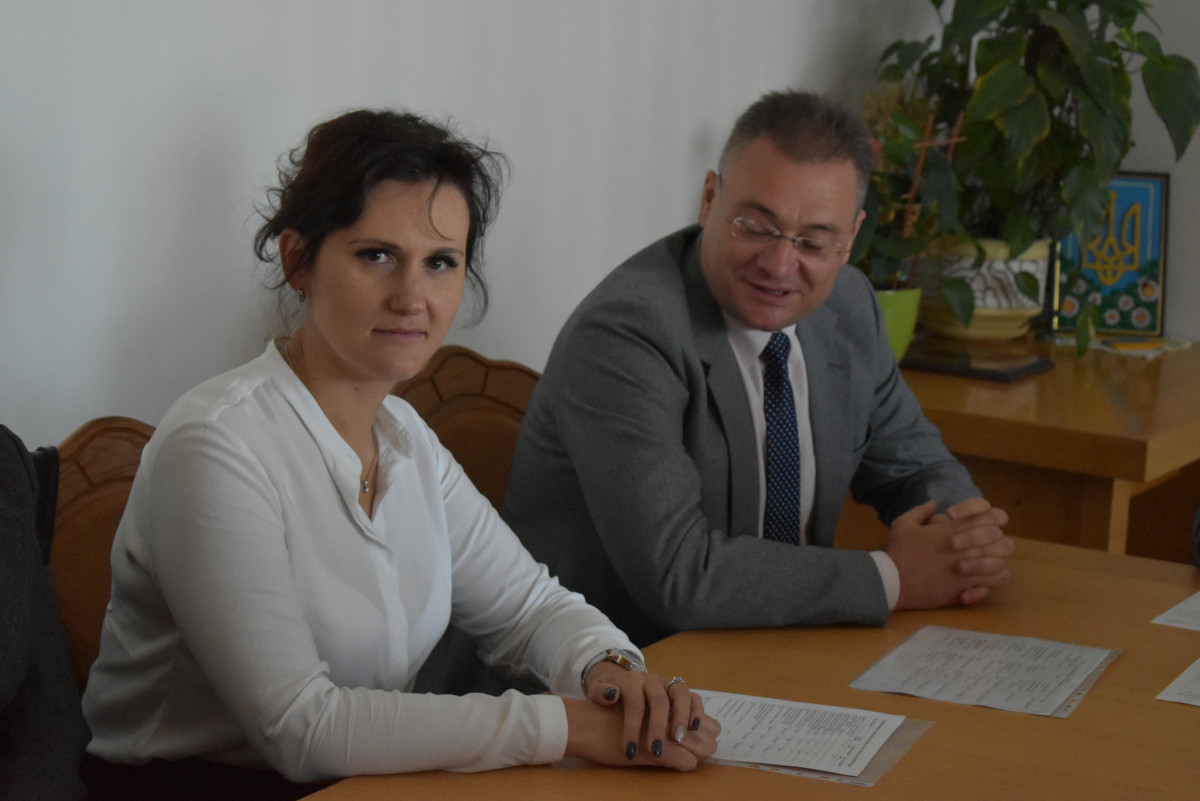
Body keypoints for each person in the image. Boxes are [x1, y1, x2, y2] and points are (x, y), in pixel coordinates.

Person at [79, 108, 718, 801]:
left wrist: (610, 670)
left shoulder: (407, 438)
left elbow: (529, 607)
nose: (413, 297)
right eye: (376, 255)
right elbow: (300, 726)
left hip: (366, 781)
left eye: (440, 262)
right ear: (298, 261)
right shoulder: (214, 445)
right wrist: (567, 726)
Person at [501, 89, 1014, 648]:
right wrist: (893, 578)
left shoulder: (847, 308)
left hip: (771, 653)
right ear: (709, 200)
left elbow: (916, 469)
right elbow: (679, 576)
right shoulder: (627, 334)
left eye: (813, 242)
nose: (779, 264)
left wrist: (963, 539)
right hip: (608, 670)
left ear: (850, 239)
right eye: (756, 227)